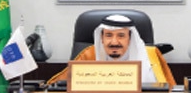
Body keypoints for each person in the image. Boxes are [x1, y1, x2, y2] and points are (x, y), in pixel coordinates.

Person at [48, 14, 176, 87]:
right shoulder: (90, 54)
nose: (114, 42)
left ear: (130, 39)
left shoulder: (151, 55)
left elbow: (171, 88)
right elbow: (54, 86)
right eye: (108, 35)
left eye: (121, 36)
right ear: (101, 38)